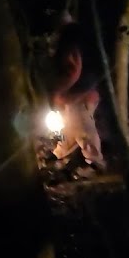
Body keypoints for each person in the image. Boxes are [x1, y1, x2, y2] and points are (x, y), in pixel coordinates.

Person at [47, 12, 107, 174]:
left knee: (83, 129)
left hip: (80, 94)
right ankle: (59, 155)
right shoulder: (82, 39)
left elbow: (74, 71)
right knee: (70, 126)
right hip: (82, 92)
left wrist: (60, 91)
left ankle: (95, 163)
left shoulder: (69, 43)